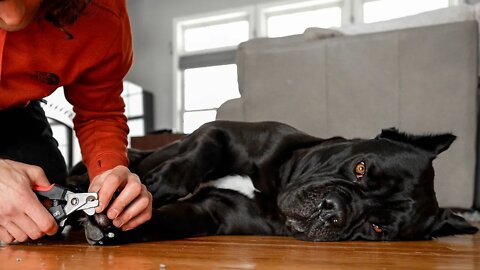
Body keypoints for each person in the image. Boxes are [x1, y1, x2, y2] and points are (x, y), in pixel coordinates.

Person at [0, 0, 152, 244]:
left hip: (17, 112)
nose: (12, 18)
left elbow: (99, 114)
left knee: (43, 209)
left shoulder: (100, 15)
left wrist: (109, 177)